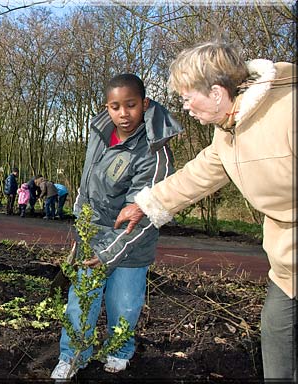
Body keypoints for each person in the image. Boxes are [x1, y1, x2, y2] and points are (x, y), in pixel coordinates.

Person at [114, 42, 296, 382]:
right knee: (277, 342)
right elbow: (201, 172)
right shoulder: (229, 131)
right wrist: (146, 203)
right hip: (287, 268)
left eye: (187, 98)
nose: (184, 108)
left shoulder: (287, 112)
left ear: (215, 93)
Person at [51, 73, 183, 380]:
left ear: (144, 104)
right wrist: (81, 221)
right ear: (107, 107)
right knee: (80, 304)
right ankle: (72, 356)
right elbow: (87, 182)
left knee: (123, 304)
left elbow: (144, 214)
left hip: (130, 244)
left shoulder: (154, 152)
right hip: (92, 236)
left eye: (131, 105)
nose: (123, 113)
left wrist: (107, 252)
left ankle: (120, 350)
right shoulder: (99, 132)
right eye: (115, 106)